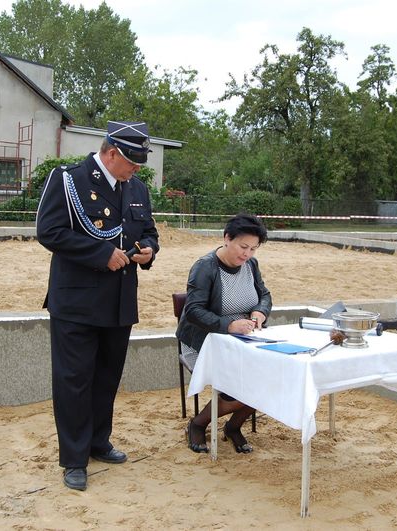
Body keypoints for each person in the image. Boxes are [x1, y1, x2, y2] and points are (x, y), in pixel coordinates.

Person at [36, 120, 159, 491]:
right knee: (74, 381)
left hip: (119, 301)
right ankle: (74, 459)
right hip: (76, 302)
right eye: (131, 163)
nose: (136, 170)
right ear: (110, 153)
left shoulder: (135, 187)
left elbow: (148, 229)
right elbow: (49, 231)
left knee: (107, 378)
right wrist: (101, 254)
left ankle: (98, 442)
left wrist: (150, 251)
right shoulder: (69, 179)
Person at [175, 214, 272, 454]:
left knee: (271, 377)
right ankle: (199, 423)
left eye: (253, 249)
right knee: (236, 385)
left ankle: (233, 426)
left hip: (245, 339)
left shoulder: (251, 264)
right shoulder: (205, 267)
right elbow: (194, 311)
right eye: (243, 246)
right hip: (205, 340)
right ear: (227, 238)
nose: (247, 254)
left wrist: (259, 313)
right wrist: (228, 326)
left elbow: (264, 296)